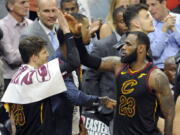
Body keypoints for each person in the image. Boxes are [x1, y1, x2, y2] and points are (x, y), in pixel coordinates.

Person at [74, 30, 174, 135]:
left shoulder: (156, 76)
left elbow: (169, 114)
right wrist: (77, 36)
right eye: (123, 44)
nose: (123, 47)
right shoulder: (118, 65)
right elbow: (86, 59)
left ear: (140, 48)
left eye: (128, 44)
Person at [82, 7, 127, 129]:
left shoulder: (141, 43)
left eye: (128, 20)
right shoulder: (102, 45)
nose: (126, 25)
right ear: (114, 23)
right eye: (123, 21)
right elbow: (90, 78)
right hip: (107, 112)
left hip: (131, 110)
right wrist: (98, 105)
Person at [0, 0, 32, 90]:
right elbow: (12, 58)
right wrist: (32, 53)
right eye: (22, 2)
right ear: (11, 6)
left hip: (30, 77)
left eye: (27, 2)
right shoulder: (2, 26)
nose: (27, 5)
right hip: (10, 79)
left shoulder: (31, 24)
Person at [147, 0, 180, 69]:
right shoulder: (148, 24)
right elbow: (154, 53)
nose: (150, 9)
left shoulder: (178, 19)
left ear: (164, 3)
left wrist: (174, 29)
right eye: (148, 6)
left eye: (153, 5)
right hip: (159, 69)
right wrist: (164, 29)